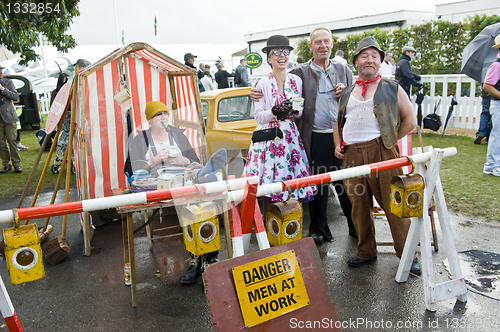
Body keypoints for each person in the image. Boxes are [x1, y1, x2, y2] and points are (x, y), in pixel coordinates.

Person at [251, 27, 356, 244]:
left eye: (326, 41)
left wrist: (345, 90)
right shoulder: (300, 72)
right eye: (317, 42)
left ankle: (356, 226)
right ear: (310, 47)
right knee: (318, 185)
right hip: (314, 136)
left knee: (346, 183)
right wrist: (255, 93)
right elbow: (266, 96)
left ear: (332, 43)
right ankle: (316, 229)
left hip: (340, 135)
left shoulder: (343, 69)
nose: (322, 46)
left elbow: (355, 93)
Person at [333, 36, 420, 274]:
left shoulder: (392, 87)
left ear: (380, 61)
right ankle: (366, 251)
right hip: (351, 155)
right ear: (356, 62)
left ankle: (408, 253)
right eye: (364, 55)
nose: (369, 60)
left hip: (383, 152)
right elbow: (338, 123)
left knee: (394, 206)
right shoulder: (348, 91)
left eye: (374, 56)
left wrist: (388, 141)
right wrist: (338, 145)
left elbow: (410, 121)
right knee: (358, 207)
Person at [128, 101, 222, 285]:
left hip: (184, 177)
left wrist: (183, 160)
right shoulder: (141, 140)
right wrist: (155, 160)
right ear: (150, 119)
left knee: (202, 195)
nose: (163, 117)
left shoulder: (177, 135)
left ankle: (208, 260)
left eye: (165, 113)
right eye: (158, 114)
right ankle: (198, 262)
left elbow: (193, 159)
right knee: (190, 207)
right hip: (159, 182)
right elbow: (133, 170)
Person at [244, 35, 315, 202]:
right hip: (269, 137)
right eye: (276, 52)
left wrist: (293, 110)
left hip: (290, 135)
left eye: (285, 51)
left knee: (290, 180)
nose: (281, 55)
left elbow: (299, 113)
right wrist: (275, 111)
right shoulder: (262, 83)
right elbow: (259, 117)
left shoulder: (296, 81)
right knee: (269, 183)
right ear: (269, 59)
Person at [482, 34, 500, 177]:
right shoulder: (496, 65)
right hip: (498, 104)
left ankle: (494, 164)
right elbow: (487, 86)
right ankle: (491, 165)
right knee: (497, 135)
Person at [0, 65, 22, 173]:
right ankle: (6, 164)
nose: (1, 72)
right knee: (1, 143)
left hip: (9, 117)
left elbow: (15, 96)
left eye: (1, 70)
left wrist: (2, 89)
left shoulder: (8, 83)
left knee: (12, 140)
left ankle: (16, 164)